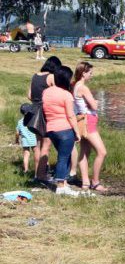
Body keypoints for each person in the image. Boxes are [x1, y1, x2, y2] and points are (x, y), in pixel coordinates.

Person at [42, 65, 81, 196]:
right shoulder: (66, 95)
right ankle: (60, 187)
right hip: (65, 129)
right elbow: (70, 115)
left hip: (51, 129)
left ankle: (63, 183)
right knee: (64, 157)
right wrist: (77, 132)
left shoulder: (46, 92)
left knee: (65, 155)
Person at [71, 62, 108, 192]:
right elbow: (95, 106)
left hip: (81, 120)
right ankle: (95, 182)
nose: (91, 76)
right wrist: (95, 102)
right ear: (83, 73)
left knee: (85, 152)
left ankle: (85, 182)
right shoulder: (83, 87)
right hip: (88, 121)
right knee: (102, 152)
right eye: (90, 73)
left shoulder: (75, 85)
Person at [26, 57, 60, 182]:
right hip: (45, 113)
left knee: (38, 146)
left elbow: (29, 95)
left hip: (34, 113)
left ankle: (36, 174)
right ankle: (43, 176)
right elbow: (57, 94)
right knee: (46, 145)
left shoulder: (35, 75)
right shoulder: (51, 77)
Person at [16, 105, 37, 173]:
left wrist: (17, 140)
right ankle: (39, 169)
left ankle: (26, 170)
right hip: (34, 139)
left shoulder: (20, 122)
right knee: (36, 153)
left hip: (25, 140)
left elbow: (17, 133)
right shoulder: (34, 120)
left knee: (26, 155)